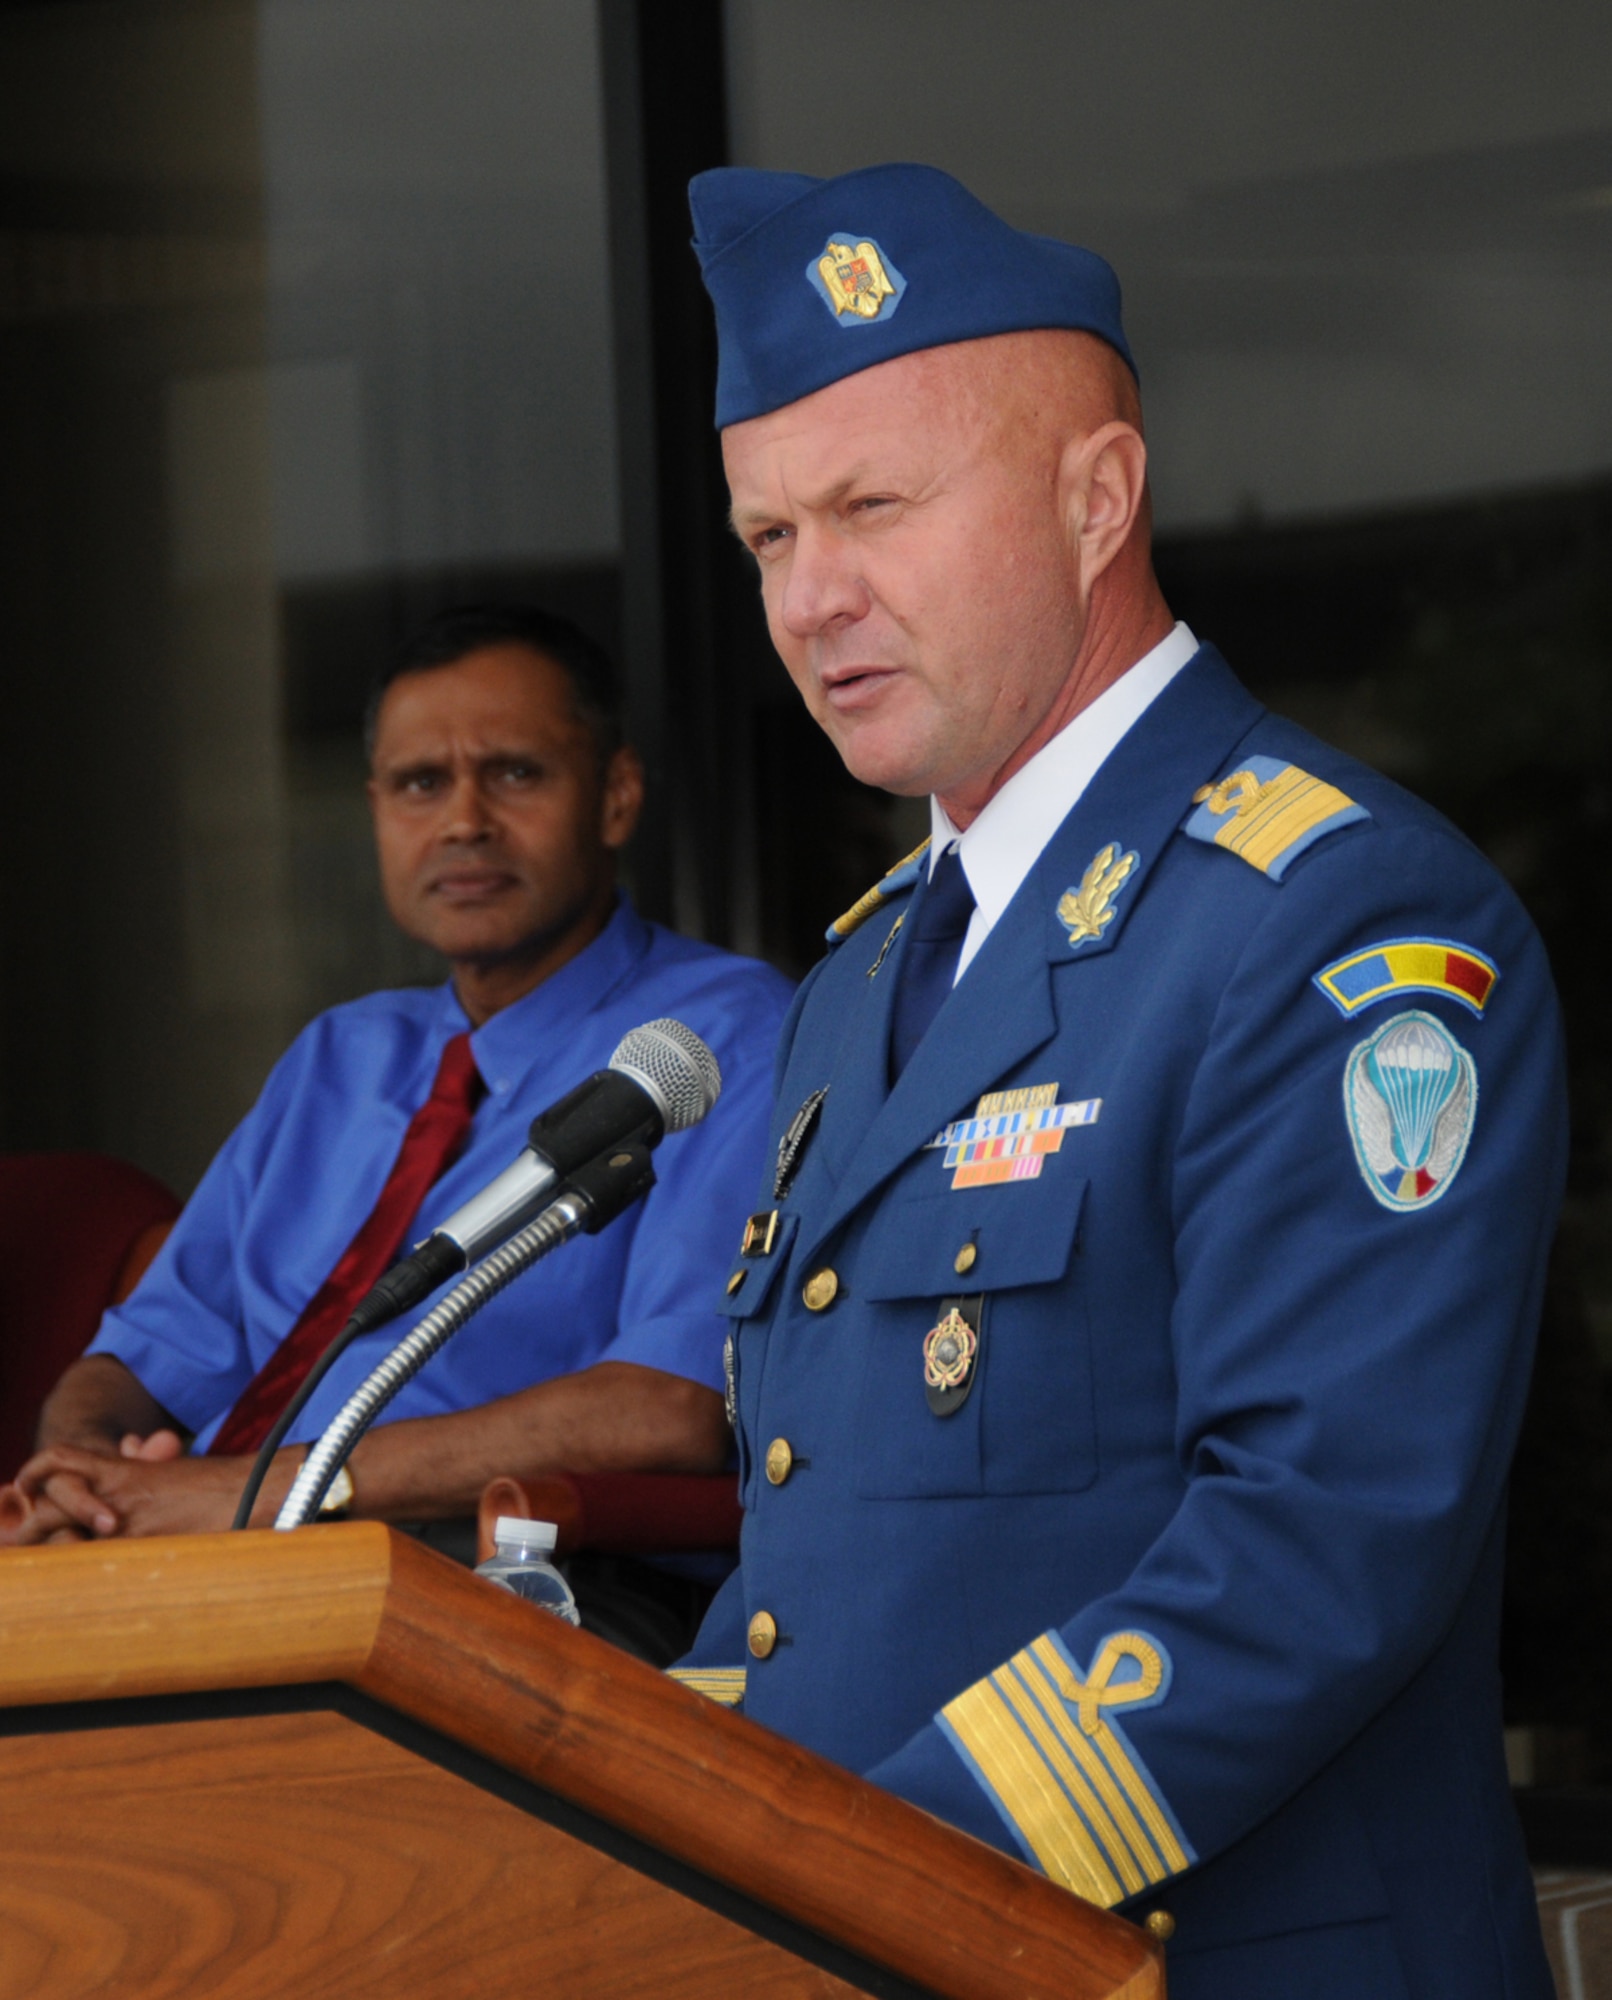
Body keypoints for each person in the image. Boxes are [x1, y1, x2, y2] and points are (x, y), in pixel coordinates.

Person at [669, 164, 1566, 1998]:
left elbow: (1314, 1548)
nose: (812, 596)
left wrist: (848, 1883)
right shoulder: (857, 980)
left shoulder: (1332, 916)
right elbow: (813, 1561)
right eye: (767, 538)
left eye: (874, 507)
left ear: (1095, 499)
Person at [1, 605, 792, 1563]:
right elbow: (138, 1358)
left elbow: (672, 1407)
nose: (464, 821)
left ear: (616, 796)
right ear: (376, 808)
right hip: (193, 1564)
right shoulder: (339, 1056)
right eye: (421, 783)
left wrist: (252, 1496)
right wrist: (86, 1476)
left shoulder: (717, 1037)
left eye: (514, 773)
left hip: (461, 1579)